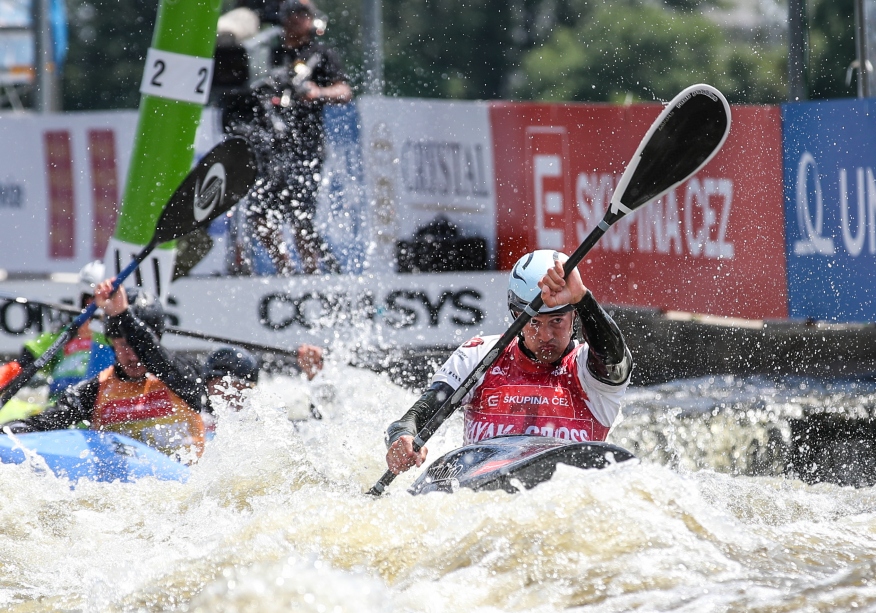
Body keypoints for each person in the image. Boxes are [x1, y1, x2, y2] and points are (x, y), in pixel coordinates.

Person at [384, 249, 634, 475]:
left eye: (557, 321)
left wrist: (583, 298)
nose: (546, 336)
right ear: (516, 315)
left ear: (575, 315)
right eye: (534, 322)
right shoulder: (479, 355)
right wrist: (403, 438)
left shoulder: (588, 370)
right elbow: (412, 420)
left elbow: (612, 356)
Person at [5, 281, 209, 464]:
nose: (132, 355)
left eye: (138, 346)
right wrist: (7, 433)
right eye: (123, 345)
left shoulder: (183, 375)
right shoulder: (95, 389)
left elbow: (160, 360)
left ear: (154, 341)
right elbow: (44, 423)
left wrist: (123, 315)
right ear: (111, 343)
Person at [223, 0, 352, 275]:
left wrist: (318, 92)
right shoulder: (267, 50)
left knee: (301, 218)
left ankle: (310, 273)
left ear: (313, 19)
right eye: (289, 11)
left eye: (301, 12)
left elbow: (344, 91)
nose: (294, 17)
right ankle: (285, 270)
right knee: (260, 213)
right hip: (270, 146)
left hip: (306, 148)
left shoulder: (320, 54)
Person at [0, 261, 115, 422]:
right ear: (80, 299)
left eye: (104, 300)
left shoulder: (118, 340)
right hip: (57, 420)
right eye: (90, 299)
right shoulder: (60, 337)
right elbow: (19, 367)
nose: (95, 305)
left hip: (97, 420)